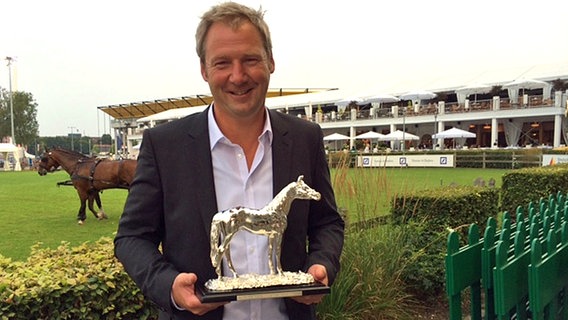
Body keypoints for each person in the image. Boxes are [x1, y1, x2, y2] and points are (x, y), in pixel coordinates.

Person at [113, 2, 344, 320]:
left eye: (250, 60)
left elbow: (327, 223)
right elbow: (132, 238)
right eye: (223, 63)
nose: (238, 76)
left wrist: (322, 264)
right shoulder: (164, 146)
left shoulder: (306, 138)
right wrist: (169, 286)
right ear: (204, 70)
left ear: (270, 62)